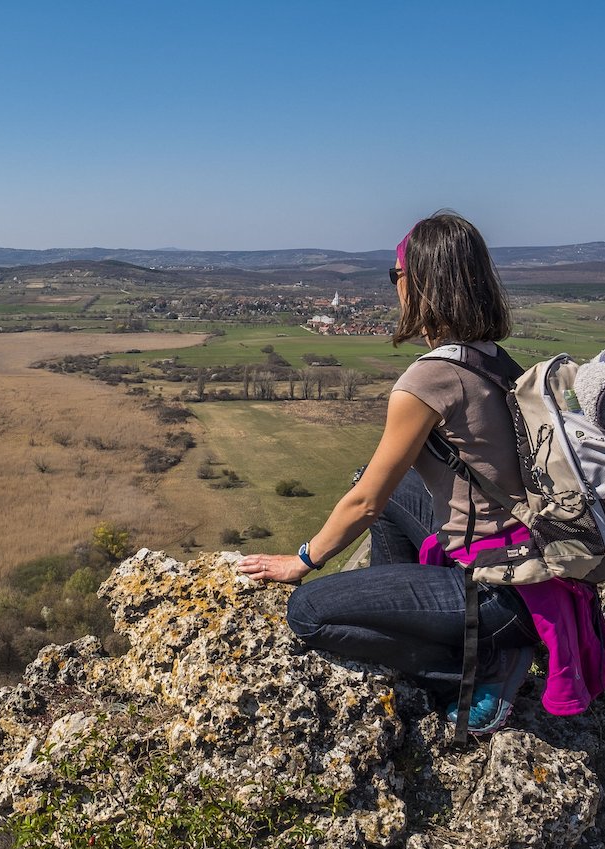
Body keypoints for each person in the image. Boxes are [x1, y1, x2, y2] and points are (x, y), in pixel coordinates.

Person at [237, 210, 539, 734]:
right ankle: (406, 600)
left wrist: (301, 561)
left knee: (308, 612)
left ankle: (468, 669)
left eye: (395, 276)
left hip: (497, 591)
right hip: (534, 568)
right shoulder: (493, 360)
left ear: (419, 284)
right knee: (367, 476)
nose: (395, 288)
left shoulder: (427, 379)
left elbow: (366, 503)